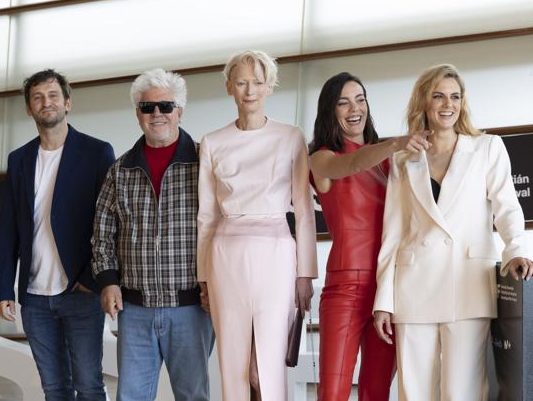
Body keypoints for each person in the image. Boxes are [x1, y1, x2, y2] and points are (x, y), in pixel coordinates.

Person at [373, 64, 533, 401]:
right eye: (439, 96)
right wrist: (383, 300)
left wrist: (517, 249)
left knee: (464, 392)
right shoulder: (404, 159)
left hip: (468, 285)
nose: (448, 104)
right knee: (414, 392)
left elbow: (507, 207)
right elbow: (393, 232)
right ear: (424, 103)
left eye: (455, 97)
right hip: (413, 287)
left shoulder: (487, 147)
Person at [197, 50, 317, 401]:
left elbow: (304, 211)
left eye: (258, 82)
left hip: (277, 254)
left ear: (270, 87)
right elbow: (207, 216)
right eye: (242, 82)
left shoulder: (290, 137)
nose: (250, 90)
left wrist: (306, 273)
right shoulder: (212, 142)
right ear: (229, 87)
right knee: (233, 363)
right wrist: (203, 279)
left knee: (267, 365)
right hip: (225, 255)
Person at [92, 68, 214, 401]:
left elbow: (222, 228)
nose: (156, 114)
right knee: (130, 396)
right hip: (134, 311)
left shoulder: (206, 163)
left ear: (180, 111)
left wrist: (216, 286)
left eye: (165, 106)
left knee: (193, 396)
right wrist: (108, 281)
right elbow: (102, 235)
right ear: (137, 114)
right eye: (147, 108)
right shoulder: (120, 170)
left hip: (191, 309)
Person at [308, 72, 430, 400]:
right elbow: (351, 165)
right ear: (329, 111)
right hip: (344, 288)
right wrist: (395, 143)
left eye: (360, 99)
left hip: (388, 289)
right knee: (332, 392)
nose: (354, 108)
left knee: (377, 392)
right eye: (343, 102)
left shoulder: (389, 163)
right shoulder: (321, 158)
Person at [0, 69, 115, 400]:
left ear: (67, 103)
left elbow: (109, 221)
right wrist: (4, 287)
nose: (45, 103)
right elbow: (8, 230)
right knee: (53, 387)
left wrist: (93, 280)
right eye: (37, 97)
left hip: (80, 291)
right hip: (34, 297)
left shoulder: (97, 152)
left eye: (52, 96)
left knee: (89, 385)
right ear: (29, 108)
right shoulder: (19, 159)